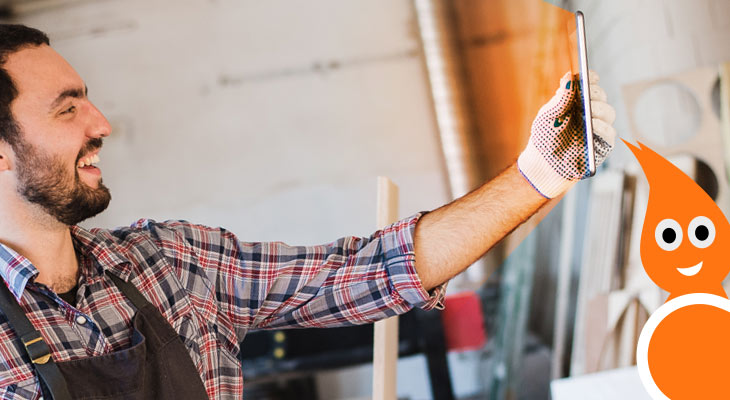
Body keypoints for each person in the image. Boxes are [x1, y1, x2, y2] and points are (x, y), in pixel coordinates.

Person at [0, 24, 616, 399]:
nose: (101, 124)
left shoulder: (168, 264)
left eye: (88, 102)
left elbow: (371, 272)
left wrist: (538, 174)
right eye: (66, 109)